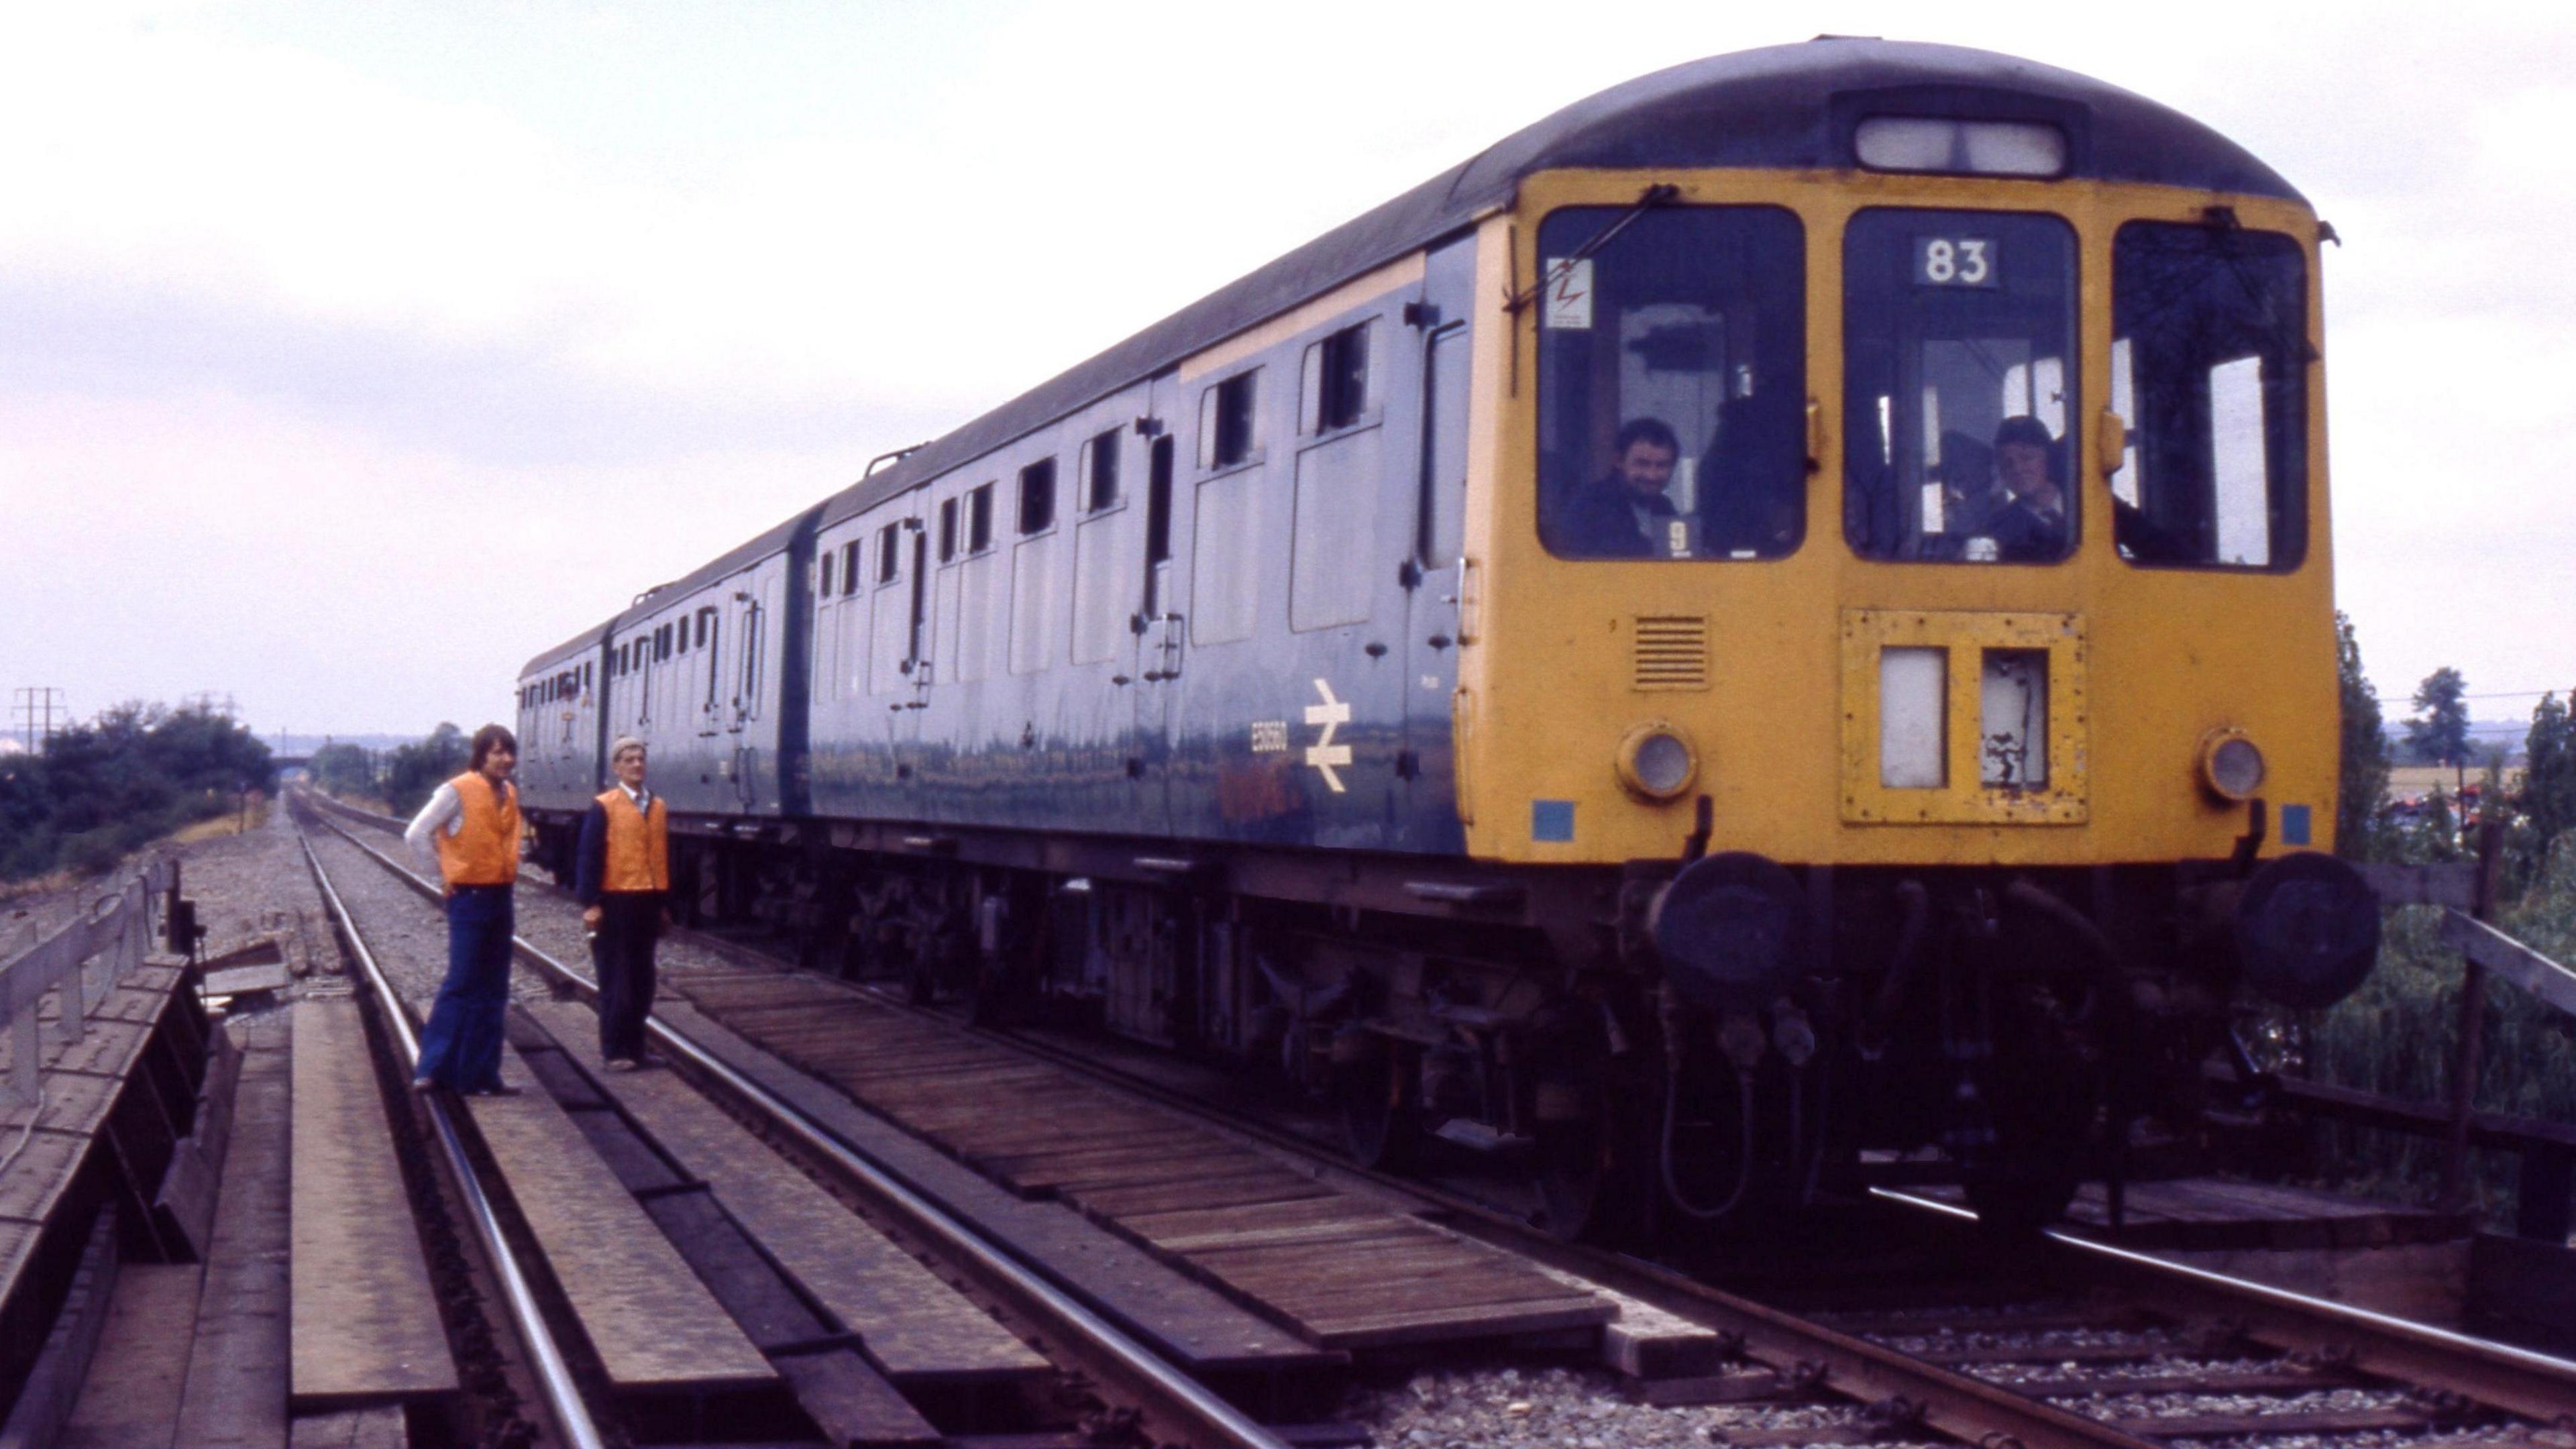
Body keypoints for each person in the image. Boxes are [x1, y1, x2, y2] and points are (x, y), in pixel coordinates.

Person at [402, 724, 523, 1095]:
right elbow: (415, 834)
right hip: (469, 898)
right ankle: (432, 1069)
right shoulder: (456, 790)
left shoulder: (509, 793)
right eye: (497, 752)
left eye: (509, 752)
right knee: (461, 983)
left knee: (494, 988)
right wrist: (443, 876)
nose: (505, 760)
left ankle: (482, 1074)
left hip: (501, 897)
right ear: (481, 755)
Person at [574, 737, 669, 1070]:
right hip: (615, 902)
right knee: (617, 980)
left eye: (640, 758)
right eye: (628, 760)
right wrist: (591, 903)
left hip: (647, 901)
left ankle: (637, 1048)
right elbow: (589, 857)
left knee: (643, 981)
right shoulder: (604, 806)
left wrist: (662, 905)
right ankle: (616, 1052)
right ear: (616, 767)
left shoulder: (657, 806)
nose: (636, 765)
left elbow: (658, 857)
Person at [1551, 417, 1683, 558]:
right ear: (1619, 461)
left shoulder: (1664, 507)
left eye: (1661, 466)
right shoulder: (1590, 506)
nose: (1651, 475)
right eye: (1642, 464)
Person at [1983, 415, 2071, 562]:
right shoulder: (1997, 530)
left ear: (2049, 458)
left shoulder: (2092, 502)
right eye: (2007, 463)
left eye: (2027, 458)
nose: (2017, 469)